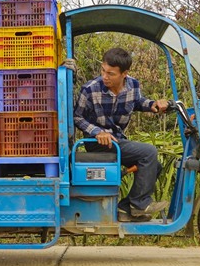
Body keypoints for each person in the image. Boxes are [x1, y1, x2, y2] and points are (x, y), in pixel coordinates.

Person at [72, 47, 171, 222]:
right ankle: (139, 204)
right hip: (97, 143)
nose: (105, 76)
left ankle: (125, 209)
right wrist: (97, 132)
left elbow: (138, 102)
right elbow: (77, 117)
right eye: (103, 70)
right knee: (149, 152)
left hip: (118, 140)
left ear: (124, 74)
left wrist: (153, 105)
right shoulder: (90, 89)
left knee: (154, 166)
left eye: (111, 73)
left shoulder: (133, 85)